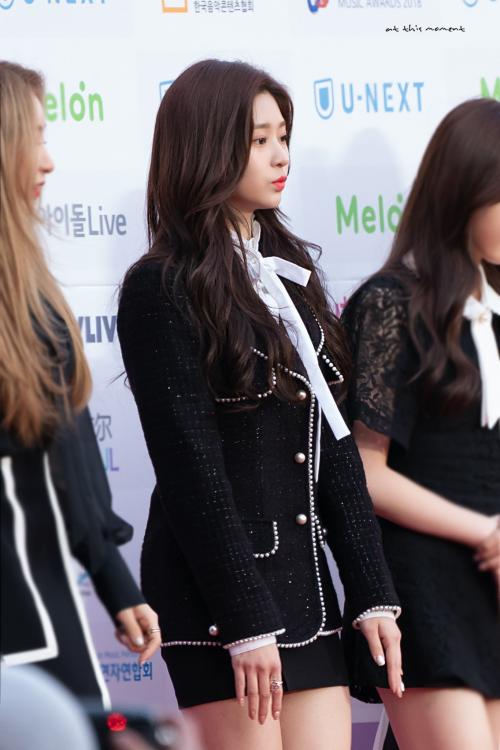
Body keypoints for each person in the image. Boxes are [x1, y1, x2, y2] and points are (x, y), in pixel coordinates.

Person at [117, 59, 403, 750]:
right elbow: (189, 469)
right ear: (207, 148)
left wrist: (371, 590)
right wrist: (245, 620)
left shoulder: (288, 277)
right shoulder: (161, 287)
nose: (281, 157)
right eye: (259, 140)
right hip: (220, 601)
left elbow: (335, 447)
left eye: (283, 137)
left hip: (307, 591)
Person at [0, 61, 161, 709]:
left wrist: (111, 575)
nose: (49, 160)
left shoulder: (28, 295)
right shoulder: (26, 305)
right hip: (29, 625)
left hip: (36, 607)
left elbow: (68, 456)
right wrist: (111, 573)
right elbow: (64, 462)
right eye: (35, 138)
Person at [341, 97, 500, 750]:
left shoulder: (493, 310)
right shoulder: (391, 302)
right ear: (464, 192)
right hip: (422, 584)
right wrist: (485, 531)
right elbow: (363, 470)